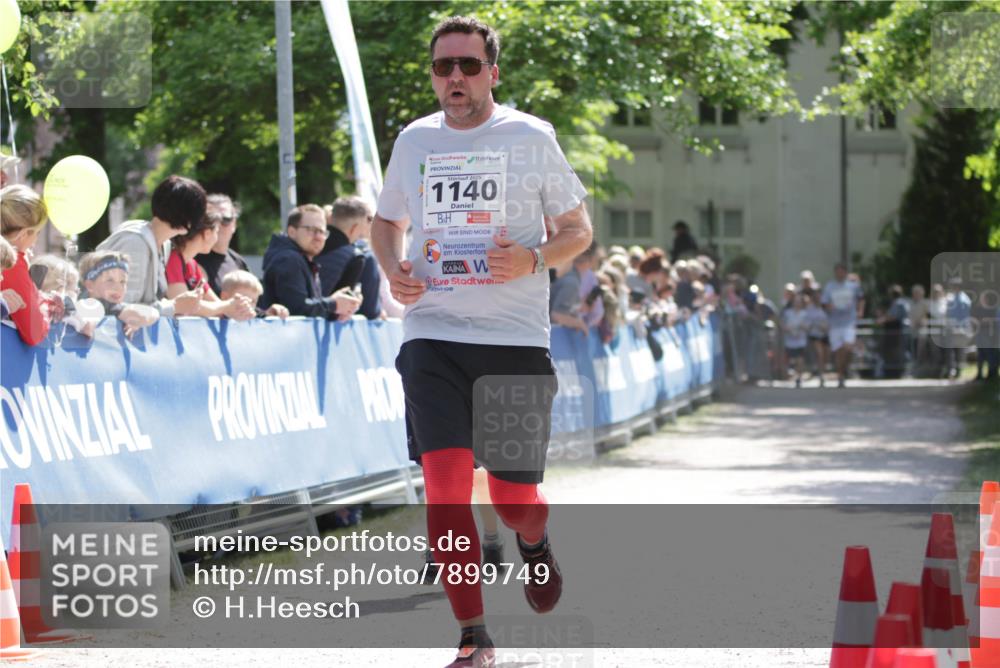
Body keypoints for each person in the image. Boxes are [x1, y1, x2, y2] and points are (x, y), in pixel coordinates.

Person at [370, 15, 591, 667]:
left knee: (512, 498)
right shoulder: (414, 141)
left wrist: (531, 259)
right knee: (444, 487)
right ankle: (473, 635)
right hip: (432, 335)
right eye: (444, 68)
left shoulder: (529, 135)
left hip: (515, 342)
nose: (456, 79)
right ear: (434, 76)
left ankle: (535, 540)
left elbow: (578, 230)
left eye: (469, 66)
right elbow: (386, 222)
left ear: (493, 72)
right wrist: (392, 268)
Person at [97, 175, 251, 319]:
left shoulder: (163, 245)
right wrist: (174, 306)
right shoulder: (135, 243)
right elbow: (120, 308)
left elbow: (143, 305)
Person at [260, 204, 362, 320]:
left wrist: (338, 311)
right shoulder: (289, 259)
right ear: (292, 232)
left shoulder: (303, 259)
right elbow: (297, 309)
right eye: (311, 230)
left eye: (322, 232)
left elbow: (307, 309)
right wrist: (333, 304)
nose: (318, 237)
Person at [1, 184, 53, 345]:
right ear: (24, 234)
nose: (36, 240)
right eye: (37, 232)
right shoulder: (13, 265)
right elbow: (34, 332)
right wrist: (47, 310)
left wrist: (44, 299)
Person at [316, 196, 381, 318]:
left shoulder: (306, 246)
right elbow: (369, 311)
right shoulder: (357, 257)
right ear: (354, 227)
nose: (372, 224)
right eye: (369, 219)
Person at [79, 251, 161, 337]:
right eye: (110, 280)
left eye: (123, 281)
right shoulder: (84, 306)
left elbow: (153, 313)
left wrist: (135, 320)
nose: (118, 288)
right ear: (90, 285)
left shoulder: (115, 307)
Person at [194, 194, 250, 296]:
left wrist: (266, 312)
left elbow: (250, 301)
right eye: (211, 219)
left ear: (234, 224)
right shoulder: (192, 259)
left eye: (225, 219)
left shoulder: (238, 261)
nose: (217, 225)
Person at [821, 262, 864, 388]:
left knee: (847, 347)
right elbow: (824, 303)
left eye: (841, 271)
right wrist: (829, 307)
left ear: (845, 272)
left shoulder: (853, 286)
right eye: (837, 271)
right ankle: (841, 374)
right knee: (838, 350)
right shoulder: (830, 286)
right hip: (835, 323)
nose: (839, 273)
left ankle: (843, 371)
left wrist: (860, 311)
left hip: (849, 322)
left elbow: (861, 298)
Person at [549, 245, 595, 336]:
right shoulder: (571, 282)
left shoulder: (571, 278)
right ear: (588, 262)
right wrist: (579, 323)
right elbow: (556, 315)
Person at [218, 270, 289, 319]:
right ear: (225, 297)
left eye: (254, 301)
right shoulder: (214, 317)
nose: (250, 306)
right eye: (245, 300)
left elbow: (261, 314)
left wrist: (270, 313)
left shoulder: (253, 314)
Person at [782, 292, 809, 387]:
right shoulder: (787, 313)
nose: (797, 303)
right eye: (795, 301)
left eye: (799, 302)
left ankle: (799, 377)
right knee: (791, 360)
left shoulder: (805, 314)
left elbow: (808, 327)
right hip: (790, 340)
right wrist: (787, 329)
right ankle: (789, 374)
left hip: (800, 340)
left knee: (800, 359)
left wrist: (802, 327)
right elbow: (783, 325)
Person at [804, 291, 829, 387]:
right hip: (814, 335)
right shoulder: (810, 309)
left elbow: (830, 320)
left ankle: (822, 371)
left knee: (825, 355)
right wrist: (817, 326)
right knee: (820, 353)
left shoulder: (825, 308)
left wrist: (826, 327)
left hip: (825, 334)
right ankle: (821, 375)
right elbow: (808, 323)